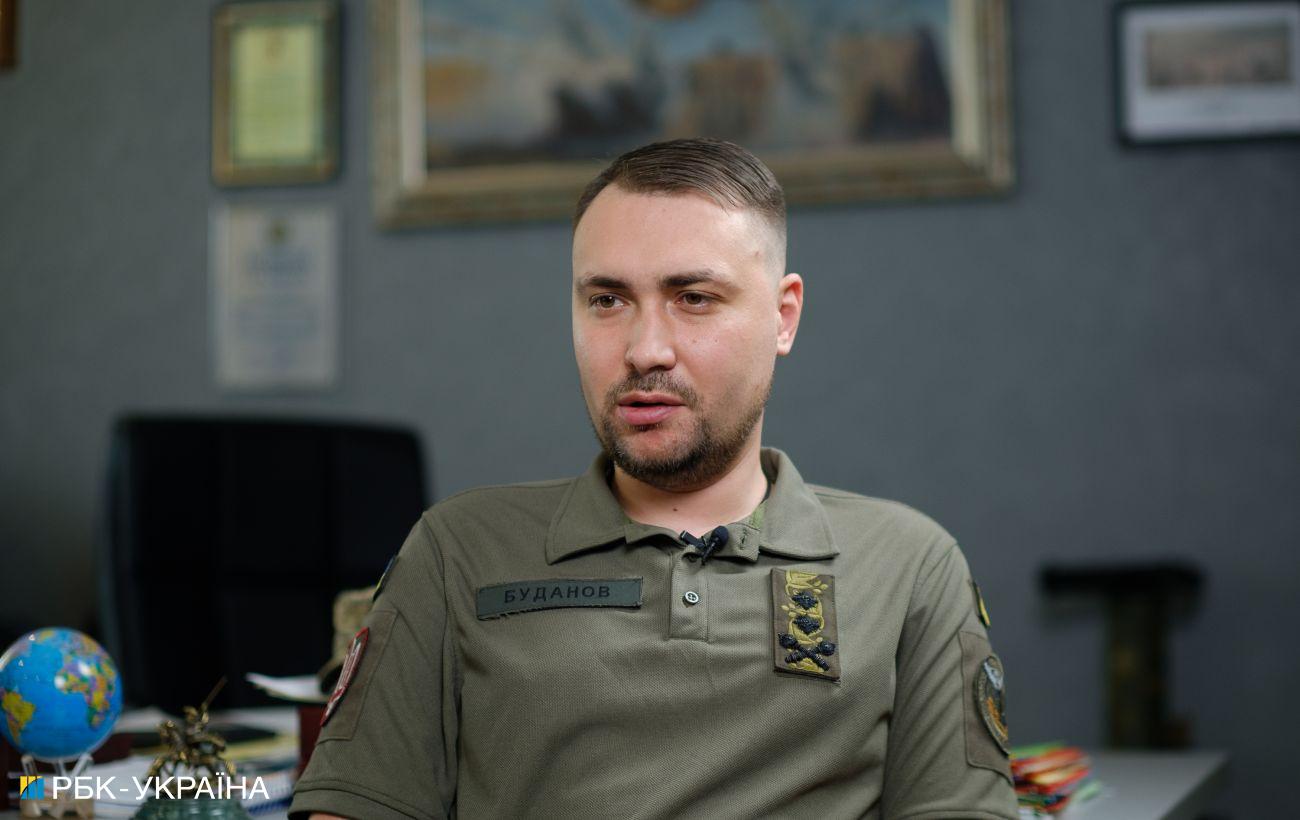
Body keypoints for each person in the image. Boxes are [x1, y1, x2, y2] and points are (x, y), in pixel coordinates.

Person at [290, 138, 1017, 819]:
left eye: (693, 297)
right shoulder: (458, 552)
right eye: (607, 300)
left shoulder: (907, 568)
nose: (645, 349)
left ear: (783, 316)